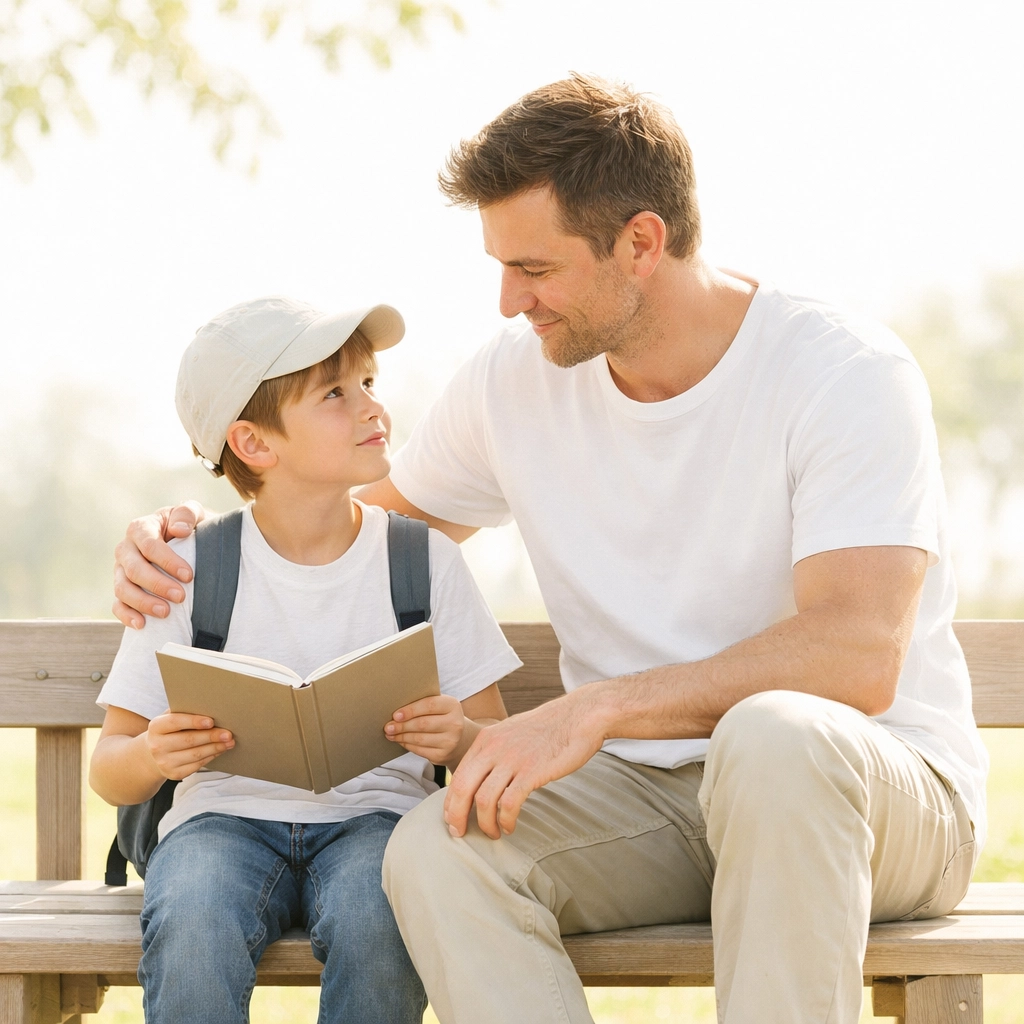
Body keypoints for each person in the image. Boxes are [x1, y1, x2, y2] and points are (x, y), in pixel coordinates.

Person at [111, 76, 989, 1024]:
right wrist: (181, 536)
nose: (505, 300)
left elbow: (853, 657)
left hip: (870, 797)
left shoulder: (841, 372)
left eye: (533, 268)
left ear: (641, 244)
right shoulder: (515, 385)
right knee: (432, 855)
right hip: (648, 802)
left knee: (774, 737)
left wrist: (598, 710)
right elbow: (331, 515)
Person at [91, 296, 522, 1024]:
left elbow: (491, 743)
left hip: (378, 822)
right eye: (334, 393)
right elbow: (111, 765)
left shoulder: (424, 562)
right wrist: (157, 756)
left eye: (369, 383)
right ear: (255, 444)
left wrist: (458, 739)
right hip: (219, 823)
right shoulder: (187, 569)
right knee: (191, 919)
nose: (370, 408)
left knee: (382, 921)